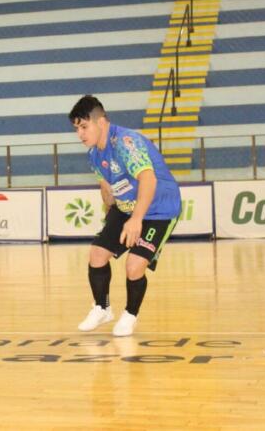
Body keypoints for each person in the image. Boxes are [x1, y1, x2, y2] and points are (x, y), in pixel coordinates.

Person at [68, 95, 181, 336]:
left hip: (159, 208)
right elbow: (107, 187)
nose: (80, 134)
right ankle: (102, 307)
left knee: (134, 265)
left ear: (101, 122)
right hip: (127, 206)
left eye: (84, 127)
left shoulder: (126, 142)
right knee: (97, 253)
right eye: (77, 129)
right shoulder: (94, 155)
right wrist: (110, 217)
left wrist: (137, 220)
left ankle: (130, 315)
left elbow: (147, 179)